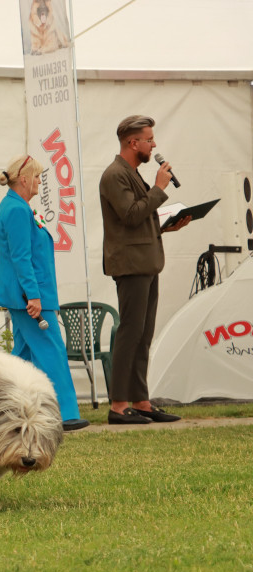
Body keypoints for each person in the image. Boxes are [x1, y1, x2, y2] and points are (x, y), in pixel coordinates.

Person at [99, 115, 190, 425]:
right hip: (131, 266)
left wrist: (166, 227)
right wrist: (160, 188)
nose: (154, 145)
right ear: (132, 143)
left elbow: (141, 221)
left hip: (146, 262)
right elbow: (130, 214)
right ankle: (119, 405)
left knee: (143, 334)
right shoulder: (115, 175)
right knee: (130, 333)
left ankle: (141, 401)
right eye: (149, 140)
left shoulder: (132, 174)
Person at [0, 154, 88, 431]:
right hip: (29, 298)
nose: (39, 182)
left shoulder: (19, 206)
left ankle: (4, 408)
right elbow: (21, 257)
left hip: (31, 294)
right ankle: (65, 413)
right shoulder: (16, 210)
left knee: (22, 357)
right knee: (52, 350)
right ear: (23, 179)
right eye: (36, 177)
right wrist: (33, 296)